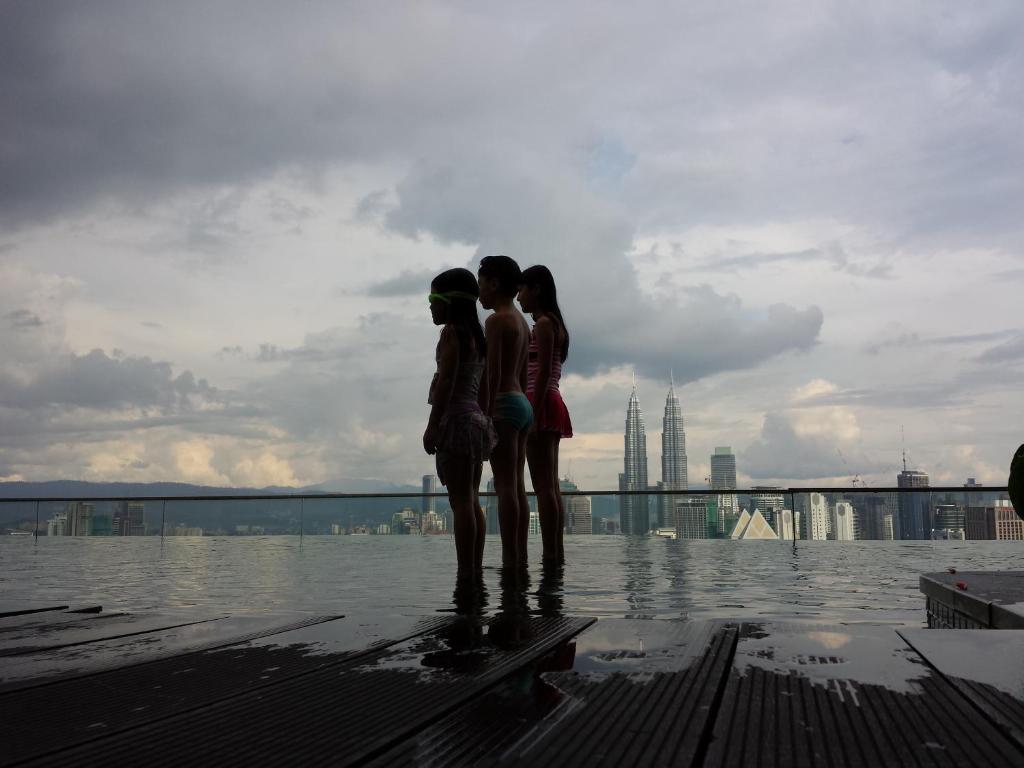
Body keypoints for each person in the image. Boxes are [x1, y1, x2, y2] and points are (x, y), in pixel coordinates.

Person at [423, 268, 496, 579]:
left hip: (456, 421)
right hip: (475, 422)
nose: (429, 306)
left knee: (460, 501)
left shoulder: (452, 333)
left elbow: (447, 383)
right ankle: (474, 567)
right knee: (472, 498)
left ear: (449, 301)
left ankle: (465, 571)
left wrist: (433, 425)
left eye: (433, 298)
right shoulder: (476, 336)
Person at [478, 255, 532, 569]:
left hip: (503, 403)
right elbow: (522, 374)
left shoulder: (497, 320)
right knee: (518, 485)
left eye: (481, 283)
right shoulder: (522, 322)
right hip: (522, 403)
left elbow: (492, 374)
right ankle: (520, 554)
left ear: (494, 283)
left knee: (505, 487)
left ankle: (510, 558)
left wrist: (484, 414)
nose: (479, 291)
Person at [517, 265, 573, 564]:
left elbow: (540, 376)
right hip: (551, 400)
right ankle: (555, 550)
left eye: (522, 289)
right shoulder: (553, 323)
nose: (519, 297)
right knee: (550, 485)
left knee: (543, 486)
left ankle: (552, 552)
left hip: (540, 401)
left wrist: (533, 414)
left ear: (536, 289)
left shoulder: (543, 325)